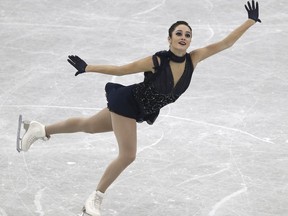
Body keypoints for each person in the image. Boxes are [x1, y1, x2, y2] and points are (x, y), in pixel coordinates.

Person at [17, 1, 261, 215]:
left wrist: (249, 21)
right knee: (128, 155)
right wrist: (89, 67)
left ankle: (40, 129)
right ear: (169, 38)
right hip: (128, 104)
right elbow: (122, 69)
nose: (183, 37)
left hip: (139, 110)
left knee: (89, 126)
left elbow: (225, 43)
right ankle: (94, 200)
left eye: (187, 34)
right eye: (178, 33)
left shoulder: (193, 59)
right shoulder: (157, 60)